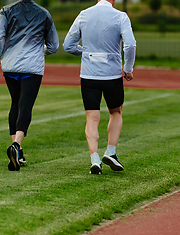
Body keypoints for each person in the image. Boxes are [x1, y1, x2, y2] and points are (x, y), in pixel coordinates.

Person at [63, 0, 136, 174]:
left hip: (89, 75)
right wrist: (128, 68)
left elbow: (68, 45)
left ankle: (94, 159)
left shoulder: (83, 14)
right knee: (116, 112)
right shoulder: (120, 16)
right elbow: (130, 44)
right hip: (112, 75)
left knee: (92, 117)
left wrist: (88, 53)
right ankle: (111, 152)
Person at [0, 0, 59, 171]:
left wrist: (0, 54)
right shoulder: (44, 13)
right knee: (26, 105)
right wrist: (37, 50)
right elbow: (53, 46)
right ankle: (16, 145)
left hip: (10, 65)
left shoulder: (6, 11)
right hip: (32, 67)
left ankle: (18, 151)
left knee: (15, 103)